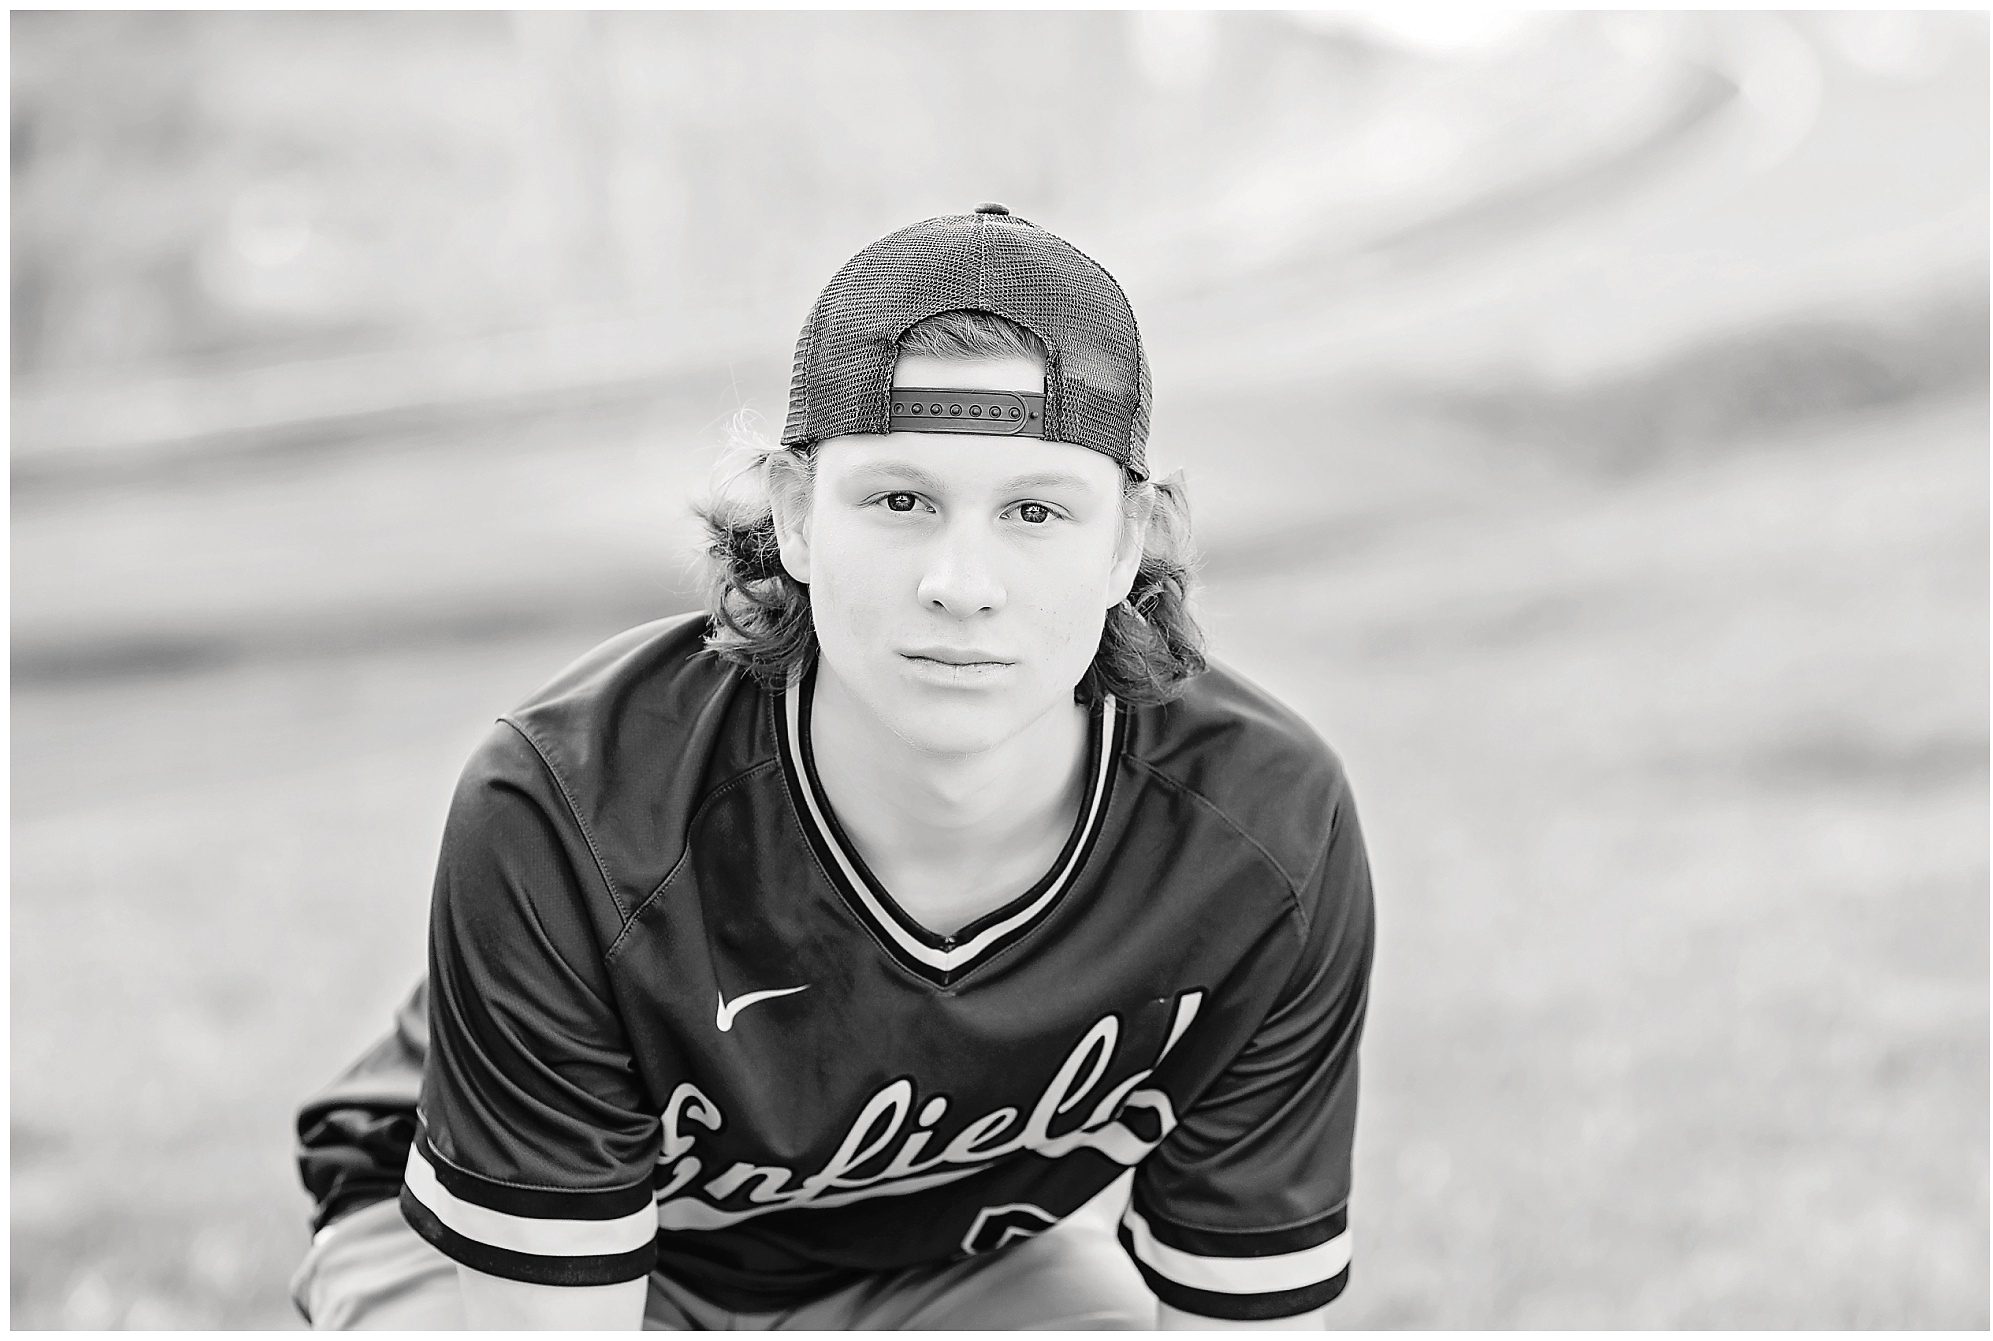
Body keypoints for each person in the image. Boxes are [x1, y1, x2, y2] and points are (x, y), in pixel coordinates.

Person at [291, 203, 1376, 1330]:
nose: (961, 582)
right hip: (486, 1253)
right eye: (900, 500)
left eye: (1035, 510)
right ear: (798, 514)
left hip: (931, 1270)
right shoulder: (573, 801)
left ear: (1126, 541)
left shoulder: (1261, 833)